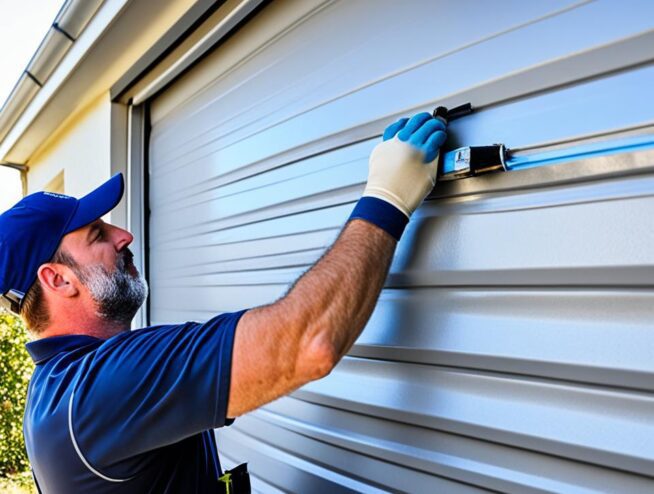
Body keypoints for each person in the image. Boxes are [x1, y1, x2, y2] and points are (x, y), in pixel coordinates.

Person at [0, 112, 446, 493]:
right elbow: (309, 340)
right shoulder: (99, 390)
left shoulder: (55, 391)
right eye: (98, 234)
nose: (124, 236)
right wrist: (387, 197)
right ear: (57, 279)